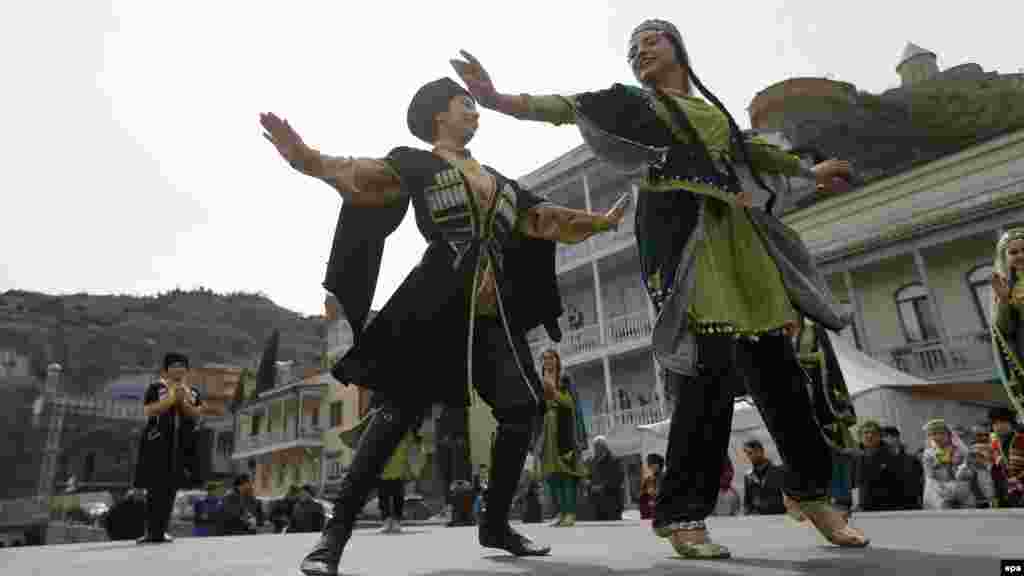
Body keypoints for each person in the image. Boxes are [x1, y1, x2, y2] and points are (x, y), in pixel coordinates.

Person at [451, 17, 867, 558]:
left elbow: (746, 154)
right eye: (632, 47)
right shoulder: (631, 105)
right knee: (706, 373)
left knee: (780, 372)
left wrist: (809, 172)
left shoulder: (712, 112)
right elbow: (568, 106)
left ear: (677, 48)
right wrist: (497, 98)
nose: (640, 51)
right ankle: (682, 512)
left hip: (735, 235)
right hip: (680, 231)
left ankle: (811, 493)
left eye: (651, 41)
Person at [260, 75, 626, 576]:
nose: (475, 113)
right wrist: (306, 159)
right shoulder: (414, 162)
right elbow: (355, 174)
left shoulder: (498, 180)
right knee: (394, 417)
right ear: (439, 114)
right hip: (435, 303)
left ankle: (494, 523)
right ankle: (332, 537)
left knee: (522, 409)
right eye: (466, 104)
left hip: (495, 313)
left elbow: (544, 220)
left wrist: (600, 222)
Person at [133, 352, 204, 544]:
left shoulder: (193, 392)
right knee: (154, 489)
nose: (178, 369)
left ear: (187, 370)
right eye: (173, 365)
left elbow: (197, 414)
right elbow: (149, 410)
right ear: (166, 370)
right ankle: (151, 531)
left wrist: (182, 401)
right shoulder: (156, 388)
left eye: (182, 365)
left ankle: (162, 530)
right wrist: (172, 399)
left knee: (171, 489)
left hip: (181, 446)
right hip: (158, 444)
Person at [539, 352, 587, 527]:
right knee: (552, 475)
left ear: (557, 361)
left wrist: (553, 393)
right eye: (544, 358)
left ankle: (570, 513)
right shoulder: (540, 379)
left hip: (563, 428)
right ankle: (561, 512)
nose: (548, 361)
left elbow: (570, 403)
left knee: (567, 473)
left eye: (551, 358)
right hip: (546, 428)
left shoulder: (565, 378)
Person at [921, 419, 972, 509]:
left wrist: (963, 472)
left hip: (962, 492)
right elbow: (930, 476)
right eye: (933, 434)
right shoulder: (929, 453)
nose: (937, 437)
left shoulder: (960, 450)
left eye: (941, 433)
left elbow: (969, 472)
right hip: (939, 493)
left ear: (948, 435)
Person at [742, 439, 786, 515]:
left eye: (750, 453)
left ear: (760, 451)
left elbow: (786, 497)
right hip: (758, 519)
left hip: (778, 517)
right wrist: (748, 514)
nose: (749, 457)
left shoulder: (778, 472)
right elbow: (747, 502)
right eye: (747, 454)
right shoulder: (748, 476)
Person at [588, 436, 624, 521]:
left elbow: (618, 478)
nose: (596, 449)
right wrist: (589, 484)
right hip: (596, 504)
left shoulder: (615, 460)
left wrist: (602, 487)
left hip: (612, 504)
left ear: (604, 447)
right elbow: (588, 477)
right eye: (595, 446)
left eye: (598, 446)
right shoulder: (592, 462)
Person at [638, 453, 664, 520]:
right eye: (648, 464)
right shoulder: (648, 480)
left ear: (658, 465)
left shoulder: (664, 478)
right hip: (650, 516)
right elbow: (643, 500)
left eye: (651, 464)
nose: (649, 466)